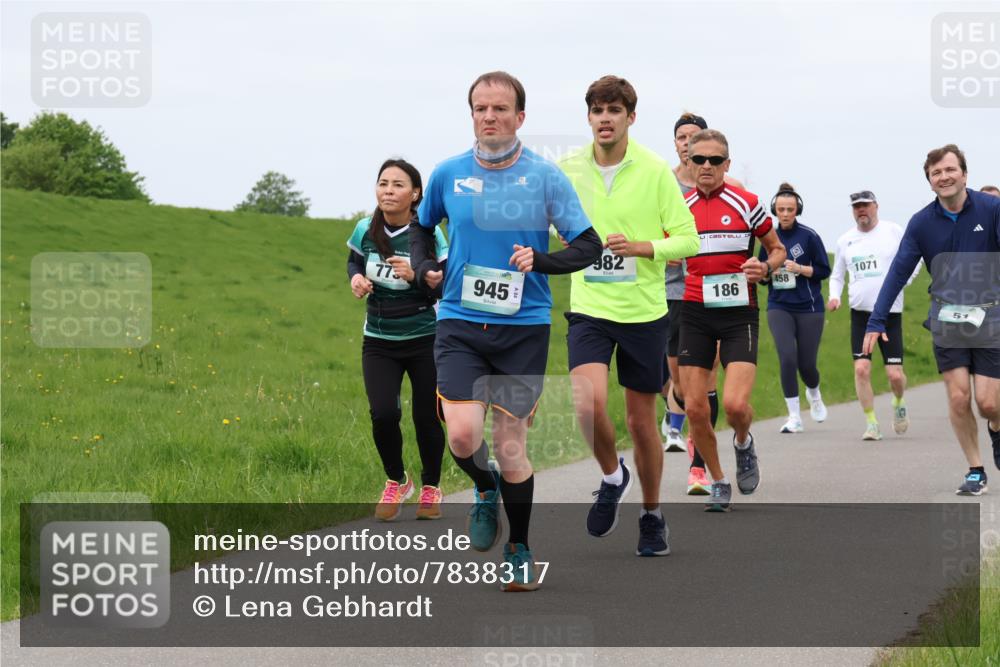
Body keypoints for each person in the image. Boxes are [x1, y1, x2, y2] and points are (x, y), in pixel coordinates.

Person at [410, 71, 601, 590]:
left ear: (520, 117)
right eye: (480, 108)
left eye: (500, 109)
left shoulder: (545, 177)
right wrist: (426, 267)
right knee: (462, 435)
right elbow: (422, 228)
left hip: (523, 328)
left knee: (511, 445)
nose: (489, 117)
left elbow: (588, 245)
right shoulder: (448, 173)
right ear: (471, 114)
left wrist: (541, 259)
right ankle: (483, 484)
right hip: (459, 321)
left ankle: (518, 547)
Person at [559, 76, 698, 556]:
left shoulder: (656, 170)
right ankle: (612, 476)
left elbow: (688, 240)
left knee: (641, 425)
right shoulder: (568, 169)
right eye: (597, 110)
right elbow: (546, 222)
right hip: (589, 308)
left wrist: (641, 247)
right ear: (589, 117)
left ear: (630, 118)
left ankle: (652, 514)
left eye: (614, 110)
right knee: (587, 403)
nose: (605, 118)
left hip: (643, 312)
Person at [863, 144, 1000, 496]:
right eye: (936, 173)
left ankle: (996, 428)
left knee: (989, 403)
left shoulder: (991, 209)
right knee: (958, 397)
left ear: (964, 174)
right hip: (947, 318)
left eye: (950, 169)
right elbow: (898, 272)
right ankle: (975, 469)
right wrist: (877, 320)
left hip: (990, 316)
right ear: (929, 181)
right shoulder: (921, 223)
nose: (944, 177)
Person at [679, 129, 786, 512]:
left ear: (727, 164)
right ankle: (719, 480)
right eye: (699, 159)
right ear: (689, 163)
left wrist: (765, 267)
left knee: (736, 405)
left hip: (739, 313)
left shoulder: (747, 203)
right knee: (695, 408)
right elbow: (663, 247)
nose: (706, 166)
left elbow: (777, 249)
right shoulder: (679, 206)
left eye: (715, 160)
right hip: (694, 312)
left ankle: (743, 442)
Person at [347, 159, 449, 521]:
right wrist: (356, 279)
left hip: (425, 338)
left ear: (415, 194)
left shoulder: (429, 234)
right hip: (378, 339)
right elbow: (354, 262)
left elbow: (444, 285)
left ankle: (431, 488)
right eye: (383, 183)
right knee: (383, 414)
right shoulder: (365, 228)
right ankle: (397, 480)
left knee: (426, 417)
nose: (388, 191)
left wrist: (416, 276)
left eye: (397, 185)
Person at [664, 112, 743, 495]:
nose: (688, 144)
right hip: (671, 294)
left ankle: (699, 466)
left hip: (713, 294)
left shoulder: (732, 188)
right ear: (678, 145)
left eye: (694, 137)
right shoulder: (663, 184)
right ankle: (677, 420)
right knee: (679, 385)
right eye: (682, 138)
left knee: (706, 379)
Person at [828, 190, 918, 440]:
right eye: (856, 207)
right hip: (861, 316)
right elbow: (837, 276)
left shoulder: (893, 231)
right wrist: (834, 296)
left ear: (876, 206)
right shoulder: (845, 240)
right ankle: (871, 423)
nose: (861, 210)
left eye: (865, 205)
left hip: (890, 314)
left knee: (895, 375)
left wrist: (903, 282)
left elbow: (914, 259)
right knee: (861, 369)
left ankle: (898, 401)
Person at [759, 183, 830, 433]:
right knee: (787, 357)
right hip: (779, 306)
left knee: (806, 364)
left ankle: (814, 393)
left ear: (797, 209)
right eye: (781, 209)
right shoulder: (768, 238)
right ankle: (794, 416)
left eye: (790, 209)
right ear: (774, 211)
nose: (786, 214)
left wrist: (800, 269)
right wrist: (767, 272)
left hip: (809, 307)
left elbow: (823, 270)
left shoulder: (809, 236)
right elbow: (762, 275)